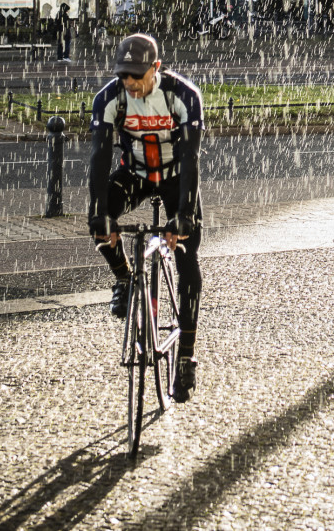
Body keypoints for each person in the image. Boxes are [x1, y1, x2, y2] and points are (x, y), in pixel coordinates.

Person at [88, 32, 204, 403]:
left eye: (136, 76)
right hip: (134, 175)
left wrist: (183, 217)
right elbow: (99, 157)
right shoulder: (110, 99)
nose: (130, 84)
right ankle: (124, 278)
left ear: (156, 68)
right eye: (124, 76)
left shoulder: (183, 96)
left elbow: (191, 158)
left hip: (174, 178)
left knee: (187, 257)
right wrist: (99, 214)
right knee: (98, 219)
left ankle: (185, 354)